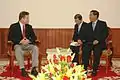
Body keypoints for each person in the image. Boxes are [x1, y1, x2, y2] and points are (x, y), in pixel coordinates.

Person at [8, 11, 38, 77]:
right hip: (18, 44)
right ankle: (22, 69)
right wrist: (19, 41)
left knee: (35, 48)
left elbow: (34, 37)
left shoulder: (29, 27)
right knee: (18, 49)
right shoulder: (13, 26)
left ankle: (34, 68)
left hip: (28, 45)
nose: (28, 20)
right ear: (22, 18)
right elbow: (10, 38)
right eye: (27, 18)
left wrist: (29, 40)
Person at [82, 10, 108, 76]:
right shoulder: (88, 25)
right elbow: (84, 35)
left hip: (99, 43)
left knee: (97, 52)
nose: (89, 16)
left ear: (95, 16)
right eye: (89, 15)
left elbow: (105, 34)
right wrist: (81, 40)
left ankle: (94, 69)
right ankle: (85, 68)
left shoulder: (102, 24)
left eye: (91, 15)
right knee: (85, 50)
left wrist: (98, 40)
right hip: (90, 43)